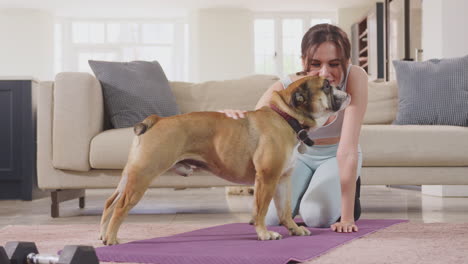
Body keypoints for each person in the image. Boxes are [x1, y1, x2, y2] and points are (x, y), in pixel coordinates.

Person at [221, 23, 368, 233]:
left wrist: (347, 218)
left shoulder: (355, 77)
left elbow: (347, 150)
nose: (325, 73)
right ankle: (310, 189)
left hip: (335, 156)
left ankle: (343, 194)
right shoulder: (291, 85)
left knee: (317, 217)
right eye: (316, 63)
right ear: (303, 62)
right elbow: (254, 123)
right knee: (271, 218)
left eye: (334, 64)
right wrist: (229, 116)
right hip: (299, 157)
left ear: (347, 61)